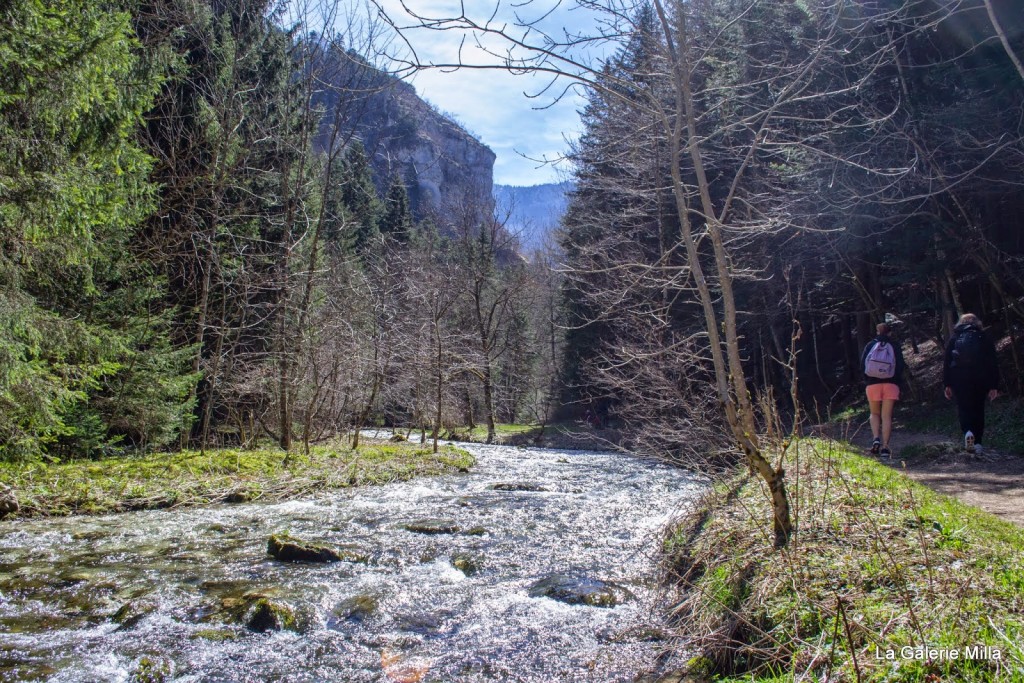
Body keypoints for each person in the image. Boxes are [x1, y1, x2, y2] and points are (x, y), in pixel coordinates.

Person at [943, 313, 1000, 454]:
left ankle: (968, 433)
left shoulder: (955, 337)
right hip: (981, 378)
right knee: (978, 408)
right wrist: (994, 386)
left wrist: (947, 384)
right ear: (977, 322)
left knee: (964, 408)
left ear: (960, 323)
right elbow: (992, 362)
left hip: (959, 378)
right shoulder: (984, 337)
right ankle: (978, 442)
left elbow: (947, 363)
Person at [861, 322, 905, 458]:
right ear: (890, 332)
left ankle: (875, 438)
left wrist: (867, 380)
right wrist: (897, 382)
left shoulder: (870, 345)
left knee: (874, 413)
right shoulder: (895, 346)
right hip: (891, 384)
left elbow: (863, 364)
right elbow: (900, 366)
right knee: (887, 416)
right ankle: (885, 447)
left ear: (877, 331)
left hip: (872, 384)